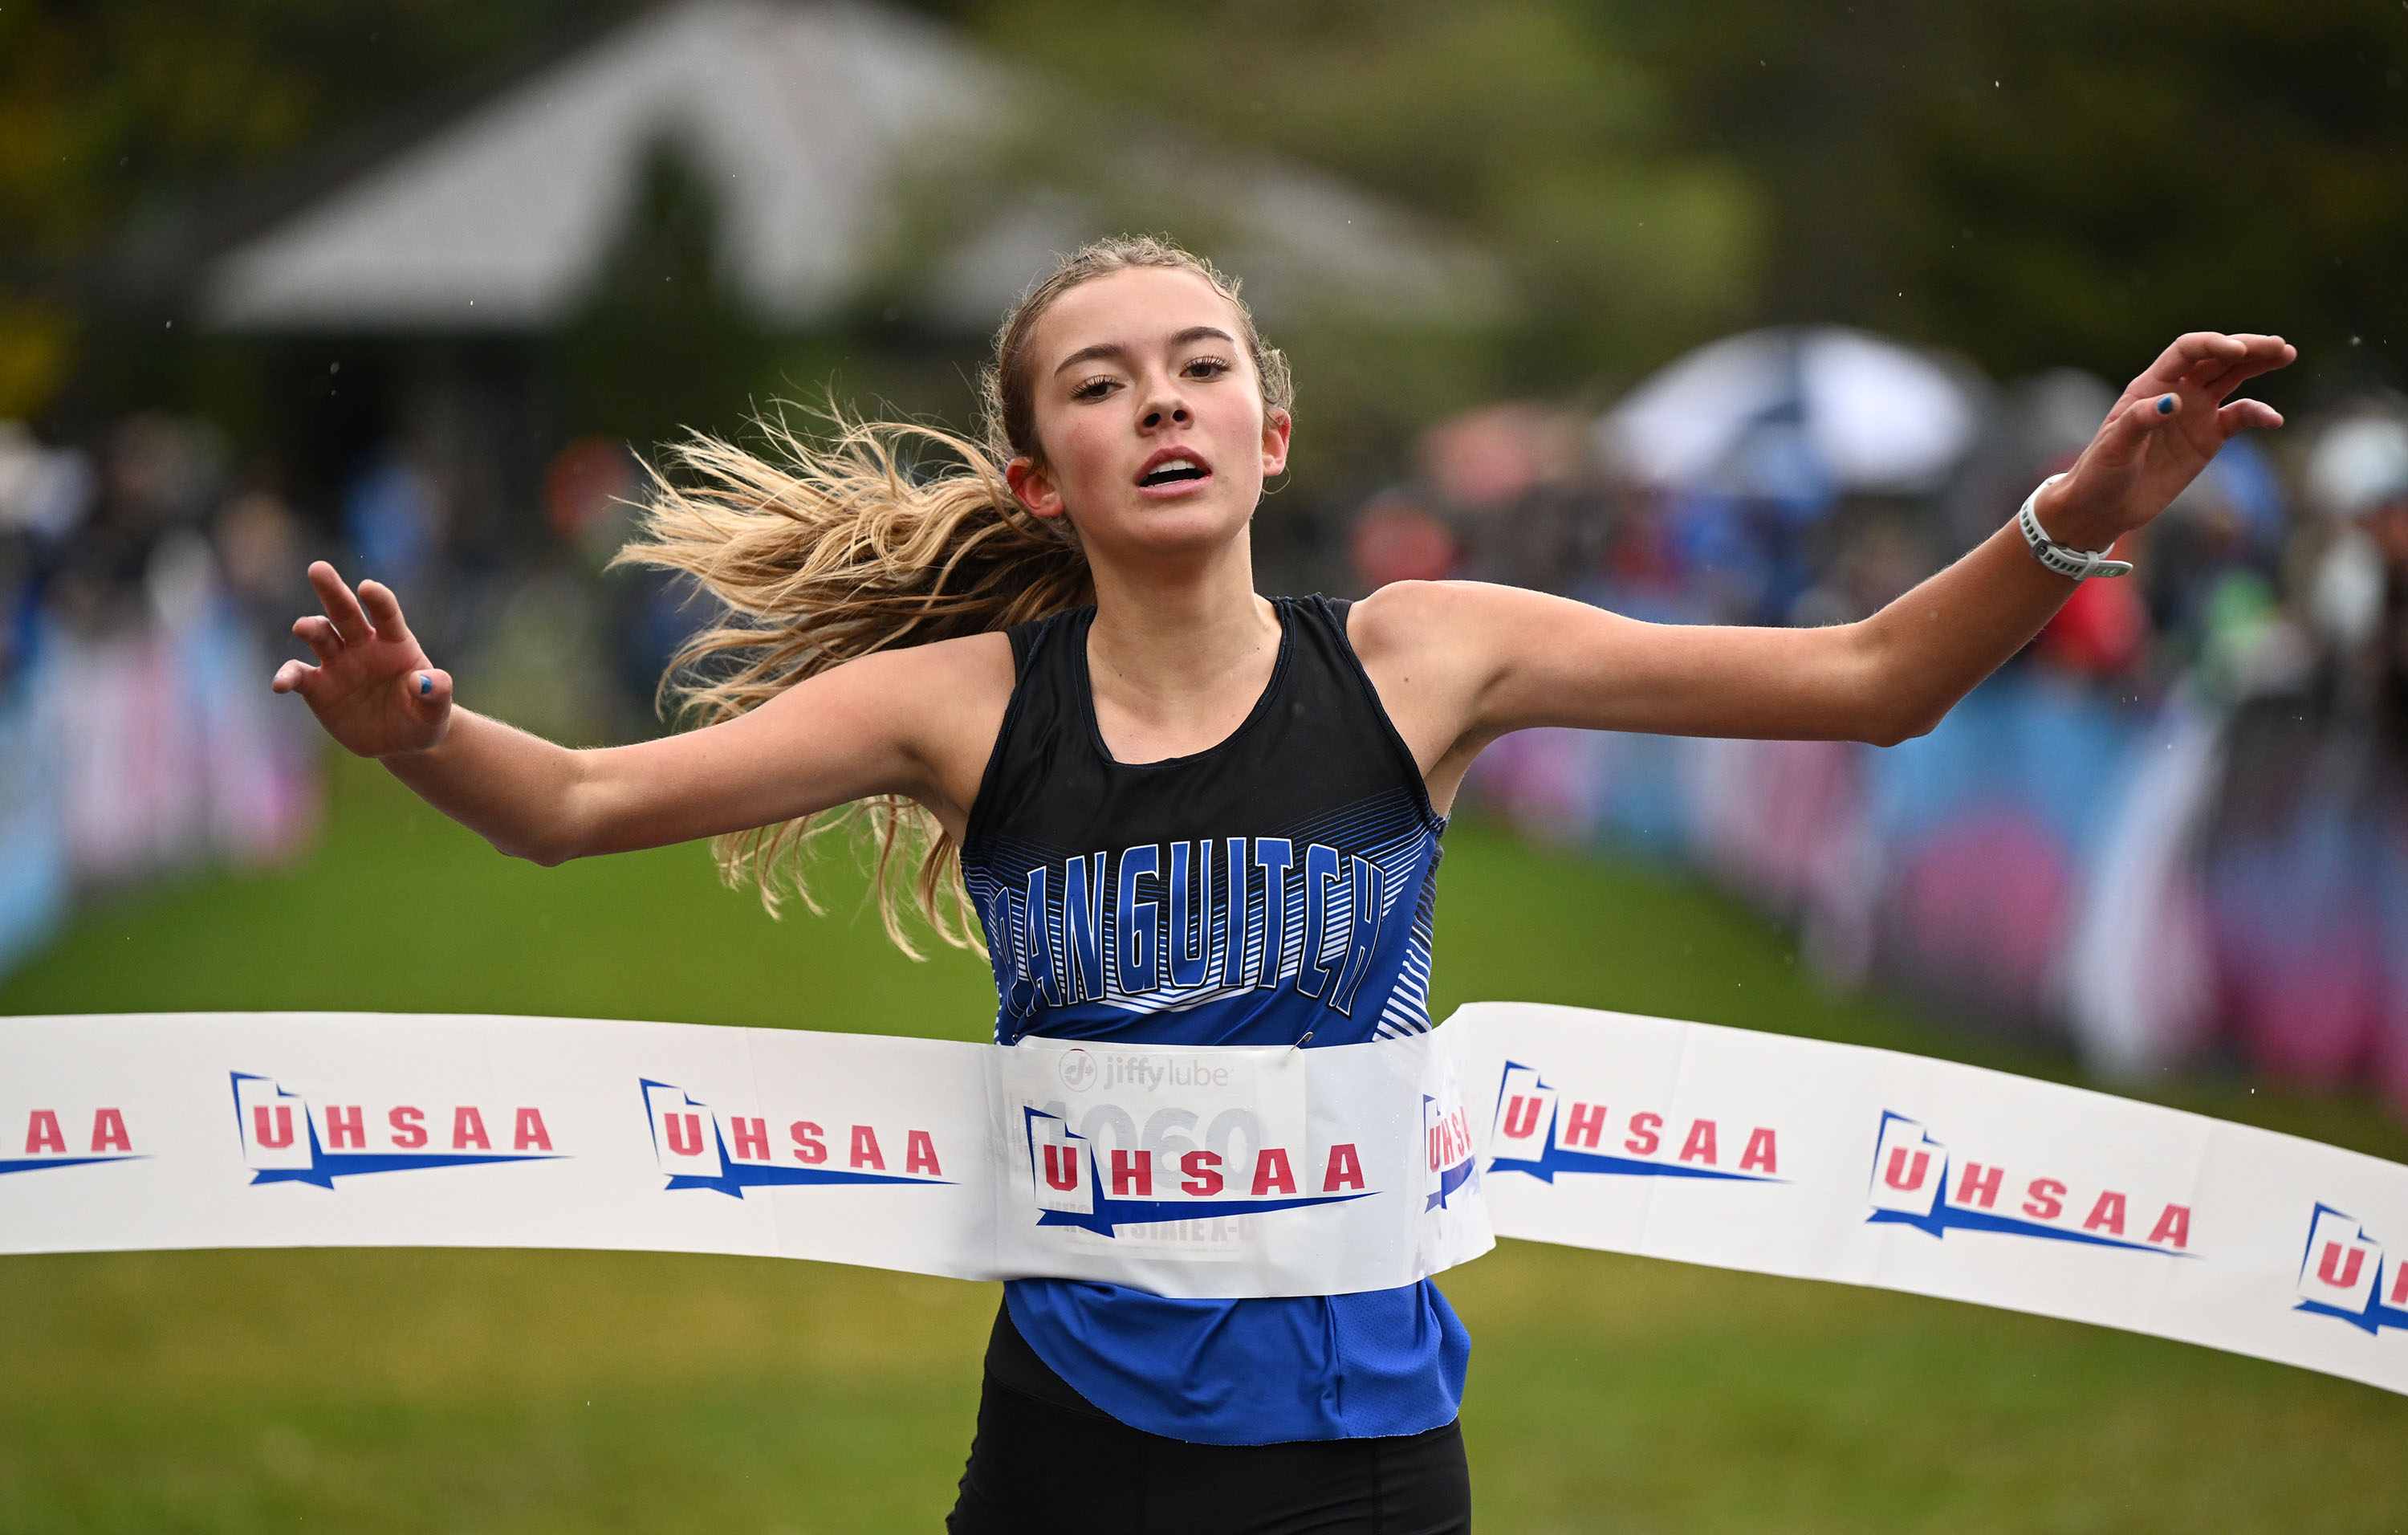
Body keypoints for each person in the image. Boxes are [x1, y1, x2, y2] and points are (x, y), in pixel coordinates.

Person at [271, 235, 2293, 1533]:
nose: (1160, 397)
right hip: (1073, 1440)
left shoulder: (1424, 654)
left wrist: (2072, 515)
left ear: (1269, 423)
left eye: (1200, 362)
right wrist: (417, 730)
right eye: (1100, 380)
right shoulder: (966, 704)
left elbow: (1870, 684)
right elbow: (572, 801)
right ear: (1035, 479)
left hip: (1366, 1446)